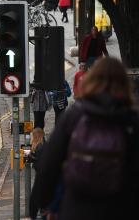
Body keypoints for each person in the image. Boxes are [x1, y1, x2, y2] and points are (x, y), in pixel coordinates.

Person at [30, 57, 139, 220]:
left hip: (76, 209)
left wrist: (40, 206)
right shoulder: (133, 121)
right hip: (122, 209)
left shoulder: (74, 116)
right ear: (125, 85)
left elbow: (48, 165)